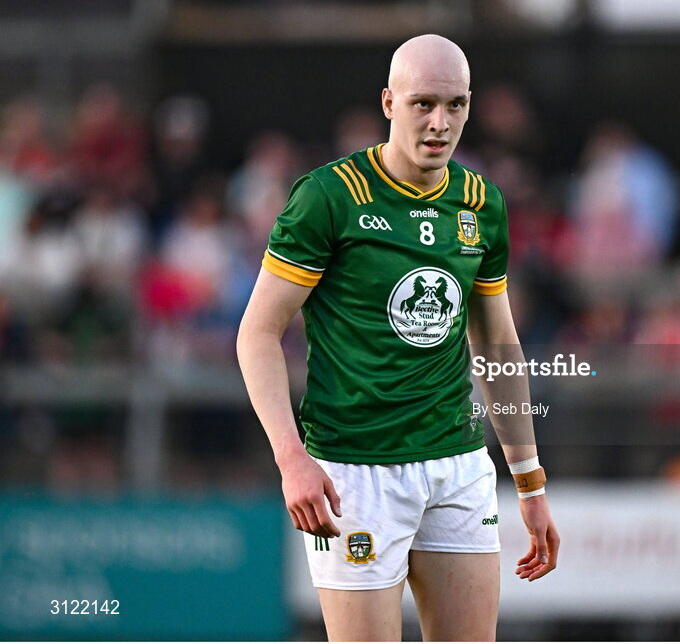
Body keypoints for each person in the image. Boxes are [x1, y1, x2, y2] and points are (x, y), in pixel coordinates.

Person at [236, 34, 559, 641]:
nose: (441, 123)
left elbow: (496, 345)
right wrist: (291, 458)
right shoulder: (327, 198)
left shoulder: (480, 202)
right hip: (356, 472)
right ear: (389, 102)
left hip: (458, 463)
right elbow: (257, 333)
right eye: (423, 104)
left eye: (456, 105)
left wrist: (530, 480)